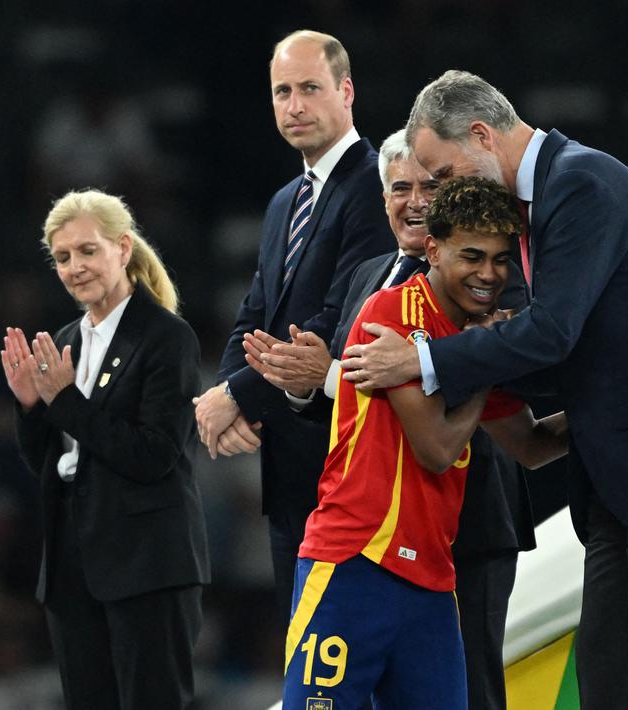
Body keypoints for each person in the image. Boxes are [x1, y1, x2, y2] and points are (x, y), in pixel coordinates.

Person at [341, 71, 628, 708]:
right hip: (617, 484)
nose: (440, 194)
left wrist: (424, 356)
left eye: (442, 173)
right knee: (608, 684)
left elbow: (552, 334)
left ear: (480, 136)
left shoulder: (582, 183)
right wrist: (473, 358)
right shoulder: (541, 201)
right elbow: (567, 354)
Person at [244, 130, 535, 709]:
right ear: (435, 251)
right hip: (355, 561)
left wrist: (613, 410)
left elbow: (529, 445)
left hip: (432, 578)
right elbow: (435, 448)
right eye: (473, 257)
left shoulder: (471, 336)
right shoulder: (393, 308)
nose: (489, 274)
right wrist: (479, 364)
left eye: (502, 260)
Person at [193, 29, 391, 618]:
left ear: (346, 90)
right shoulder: (285, 201)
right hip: (288, 470)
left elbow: (339, 319)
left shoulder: (378, 185)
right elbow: (255, 315)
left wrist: (235, 394)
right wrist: (234, 394)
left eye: (310, 88)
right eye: (283, 92)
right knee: (303, 666)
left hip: (346, 466)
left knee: (344, 658)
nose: (295, 105)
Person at [3, 190, 210, 710]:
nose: (75, 267)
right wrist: (31, 408)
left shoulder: (166, 337)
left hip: (147, 558)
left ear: (122, 248)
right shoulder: (63, 339)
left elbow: (154, 454)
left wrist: (65, 402)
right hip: (74, 556)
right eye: (63, 257)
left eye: (88, 250)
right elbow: (49, 465)